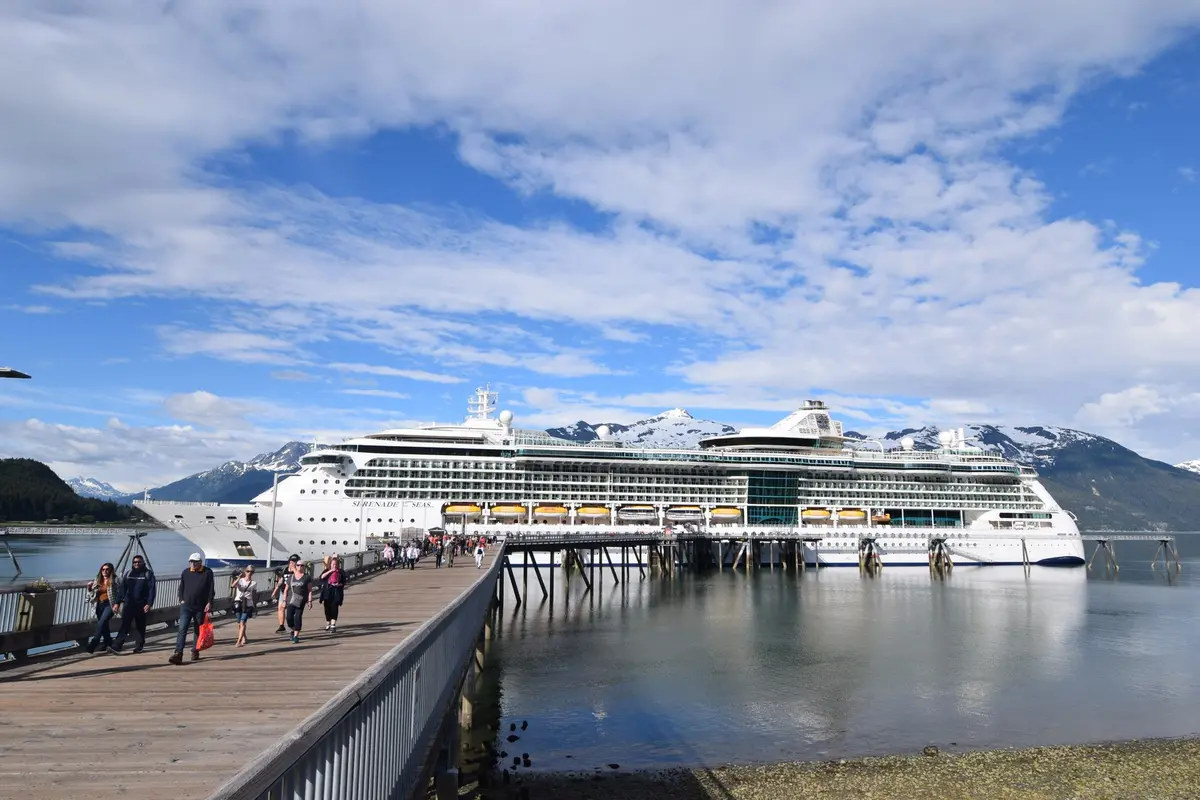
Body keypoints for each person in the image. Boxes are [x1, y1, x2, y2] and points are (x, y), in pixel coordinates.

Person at [169, 553, 215, 665]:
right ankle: (178, 653)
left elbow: (211, 588)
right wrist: (181, 599)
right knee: (182, 629)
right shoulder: (185, 572)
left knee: (197, 630)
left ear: (200, 562)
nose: (193, 564)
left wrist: (209, 602)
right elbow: (181, 587)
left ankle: (195, 650)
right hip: (186, 606)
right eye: (191, 561)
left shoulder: (208, 572)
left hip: (200, 606)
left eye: (195, 562)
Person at [112, 554, 156, 654]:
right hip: (129, 603)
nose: (136, 564)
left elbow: (152, 590)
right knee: (125, 625)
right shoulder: (128, 573)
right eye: (134, 562)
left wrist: (149, 603)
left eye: (138, 562)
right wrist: (117, 603)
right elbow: (122, 590)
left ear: (143, 562)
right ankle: (116, 646)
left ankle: (139, 646)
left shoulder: (148, 574)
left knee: (140, 626)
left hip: (142, 604)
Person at [85, 562, 118, 654]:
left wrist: (117, 604)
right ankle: (108, 643)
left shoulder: (115, 580)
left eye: (107, 569)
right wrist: (89, 588)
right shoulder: (97, 580)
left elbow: (120, 593)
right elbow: (91, 595)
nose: (105, 571)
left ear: (111, 570)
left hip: (110, 605)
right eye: (103, 569)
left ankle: (94, 643)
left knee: (102, 622)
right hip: (99, 605)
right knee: (104, 626)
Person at [283, 559, 315, 644]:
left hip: (301, 600)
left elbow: (310, 590)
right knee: (289, 618)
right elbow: (286, 589)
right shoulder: (291, 577)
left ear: (304, 567)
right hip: (290, 600)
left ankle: (296, 636)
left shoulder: (307, 577)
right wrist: (284, 600)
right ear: (296, 566)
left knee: (298, 617)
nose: (300, 567)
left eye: (302, 565)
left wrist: (310, 601)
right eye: (298, 565)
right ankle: (293, 629)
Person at [271, 554, 301, 634]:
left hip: (293, 593)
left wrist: (294, 569)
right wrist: (275, 590)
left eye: (294, 562)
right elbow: (281, 580)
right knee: (280, 608)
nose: (292, 563)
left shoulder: (298, 570)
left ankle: (292, 627)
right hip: (283, 591)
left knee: (291, 610)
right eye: (291, 562)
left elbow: (299, 577)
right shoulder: (285, 569)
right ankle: (281, 626)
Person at [230, 566, 258, 647]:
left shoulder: (254, 583)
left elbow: (254, 595)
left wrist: (255, 606)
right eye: (248, 571)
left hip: (248, 604)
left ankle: (238, 641)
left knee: (242, 622)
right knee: (240, 623)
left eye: (252, 572)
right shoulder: (240, 581)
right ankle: (244, 637)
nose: (249, 573)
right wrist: (238, 578)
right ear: (245, 571)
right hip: (238, 603)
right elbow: (232, 586)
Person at [318, 556, 344, 633]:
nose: (334, 566)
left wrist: (338, 584)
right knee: (327, 609)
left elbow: (343, 582)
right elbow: (321, 577)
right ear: (330, 564)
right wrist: (330, 571)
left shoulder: (341, 572)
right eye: (333, 564)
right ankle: (328, 622)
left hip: (336, 592)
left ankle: (333, 624)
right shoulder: (326, 571)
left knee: (334, 607)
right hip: (327, 592)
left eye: (336, 564)